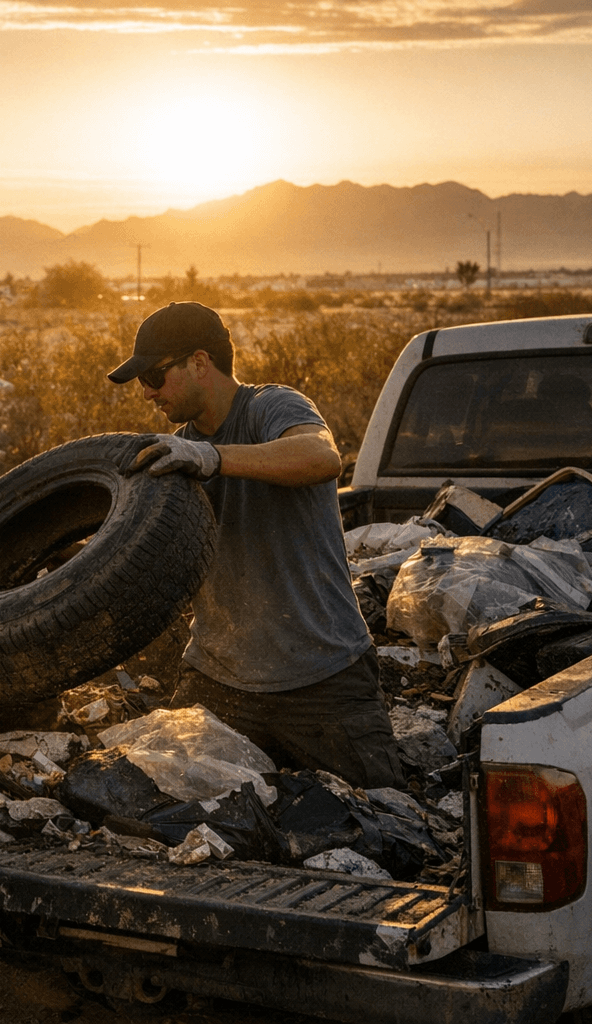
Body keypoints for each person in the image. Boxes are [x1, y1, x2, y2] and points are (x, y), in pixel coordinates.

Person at [108, 301, 402, 790]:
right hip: (219, 681)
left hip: (322, 676)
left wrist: (212, 458)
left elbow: (320, 457)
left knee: (381, 814)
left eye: (155, 376)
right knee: (177, 813)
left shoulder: (272, 406)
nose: (147, 392)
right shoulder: (176, 455)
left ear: (199, 362)